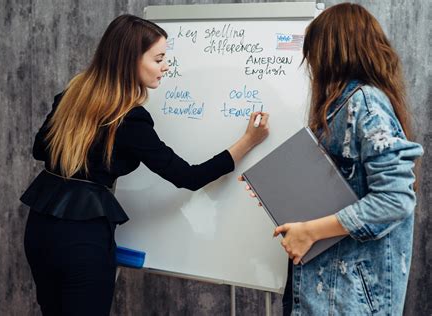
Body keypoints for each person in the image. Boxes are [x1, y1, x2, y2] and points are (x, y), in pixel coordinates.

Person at [20, 14, 269, 316]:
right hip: (81, 241)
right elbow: (187, 176)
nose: (166, 66)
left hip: (40, 228)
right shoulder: (129, 119)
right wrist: (248, 141)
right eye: (159, 58)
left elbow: (39, 149)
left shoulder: (71, 95)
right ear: (130, 60)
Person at [243, 3, 423, 315]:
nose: (311, 65)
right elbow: (343, 190)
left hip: (350, 297)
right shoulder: (342, 107)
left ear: (329, 53)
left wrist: (310, 231)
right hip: (328, 290)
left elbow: (395, 199)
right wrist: (284, 197)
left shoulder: (365, 105)